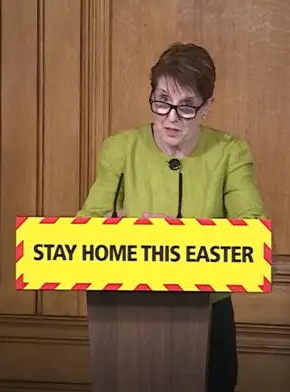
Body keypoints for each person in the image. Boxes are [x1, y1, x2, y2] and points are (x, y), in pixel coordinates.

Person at [77, 42, 267, 392]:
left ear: (208, 106)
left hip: (209, 315)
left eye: (187, 106)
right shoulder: (120, 148)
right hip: (128, 315)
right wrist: (125, 231)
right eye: (161, 101)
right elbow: (84, 232)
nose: (171, 117)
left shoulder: (230, 152)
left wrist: (175, 238)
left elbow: (253, 238)